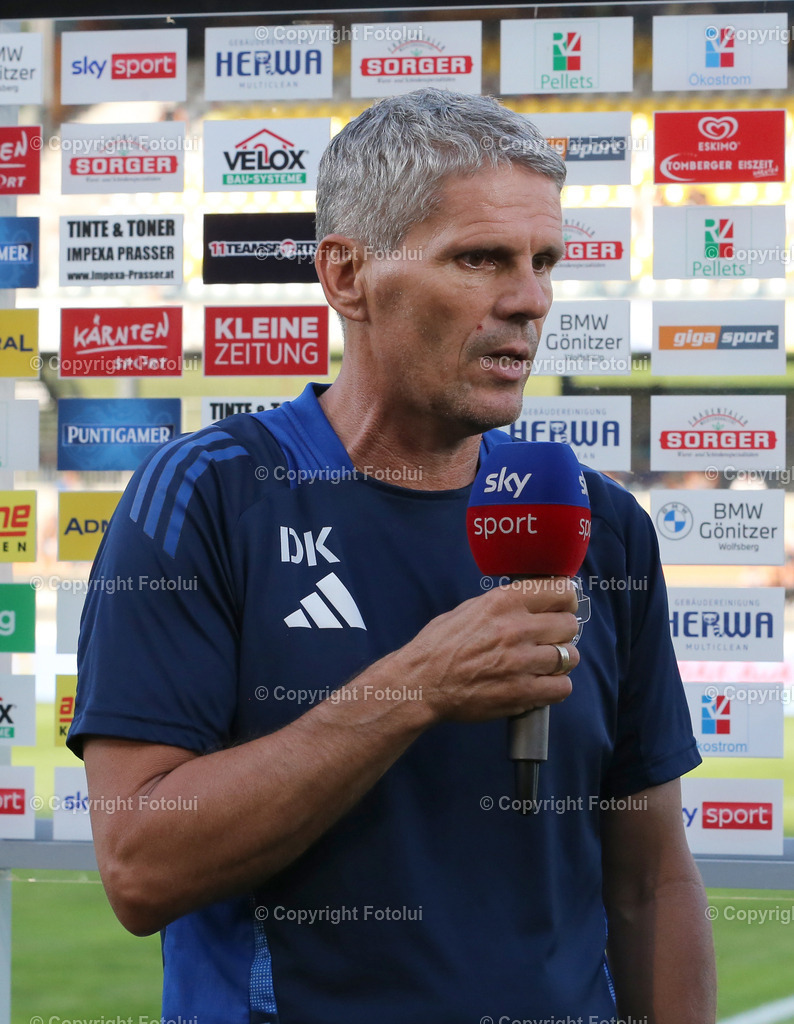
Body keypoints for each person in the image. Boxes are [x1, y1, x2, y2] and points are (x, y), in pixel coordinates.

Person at [69, 88, 716, 1024]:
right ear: (347, 276)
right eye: (480, 258)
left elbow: (650, 880)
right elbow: (140, 865)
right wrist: (412, 689)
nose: (527, 299)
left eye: (544, 262)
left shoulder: (593, 520)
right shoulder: (207, 496)